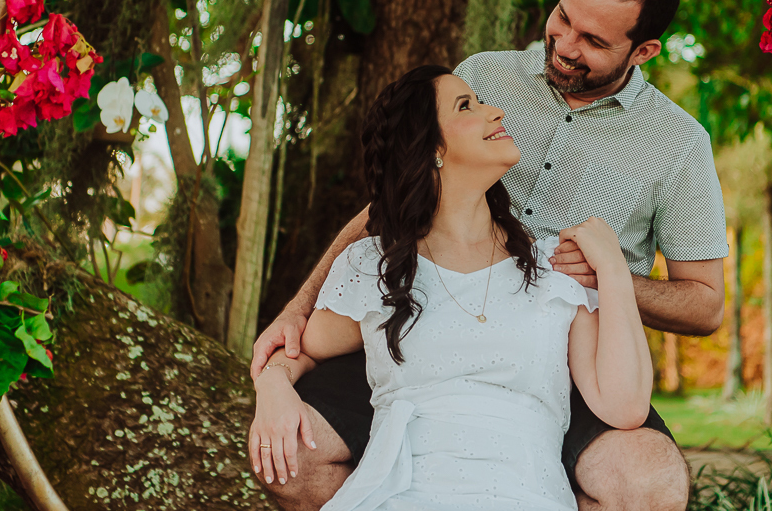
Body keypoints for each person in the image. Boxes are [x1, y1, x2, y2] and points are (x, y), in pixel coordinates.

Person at [251, 0, 728, 511]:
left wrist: (606, 277)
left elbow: (705, 304)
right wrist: (298, 311)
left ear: (643, 49)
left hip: (569, 347)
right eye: (564, 18)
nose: (566, 45)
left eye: (595, 42)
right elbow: (392, 204)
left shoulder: (678, 145)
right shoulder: (485, 78)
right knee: (287, 458)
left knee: (650, 485)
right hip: (423, 324)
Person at [249, 65, 653, 511]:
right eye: (467, 106)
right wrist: (272, 389)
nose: (496, 112)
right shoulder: (373, 267)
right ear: (430, 148)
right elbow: (299, 353)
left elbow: (625, 406)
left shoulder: (554, 266)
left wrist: (613, 269)